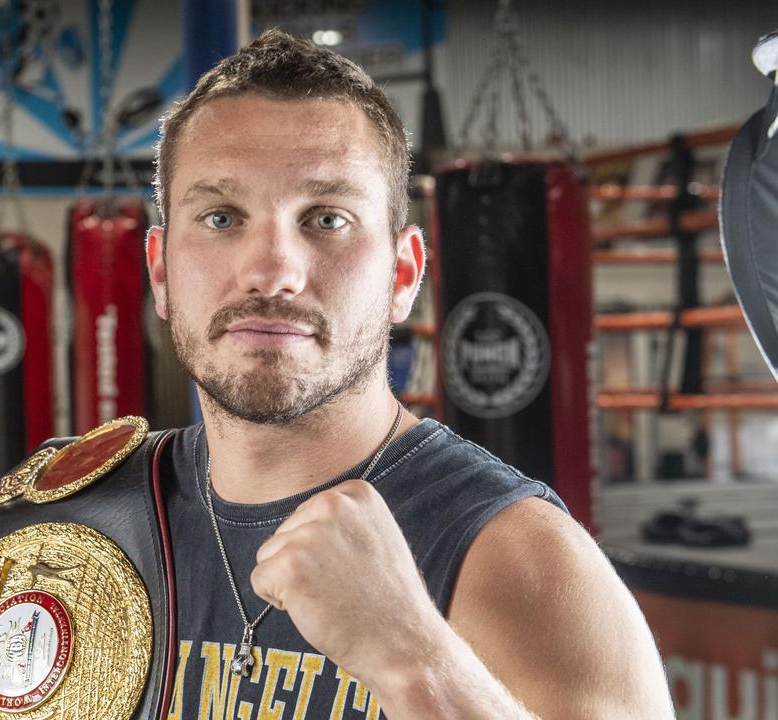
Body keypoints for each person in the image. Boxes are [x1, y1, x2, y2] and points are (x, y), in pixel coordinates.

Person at [142, 29, 674, 719]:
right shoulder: (113, 523)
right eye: (221, 217)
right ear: (160, 269)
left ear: (404, 274)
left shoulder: (521, 561)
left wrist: (415, 658)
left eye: (326, 218)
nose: (270, 271)